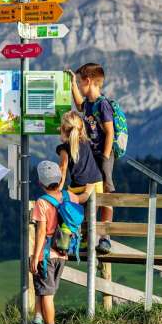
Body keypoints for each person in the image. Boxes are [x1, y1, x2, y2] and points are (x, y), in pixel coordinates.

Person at [29, 160, 93, 324]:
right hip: (63, 253)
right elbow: (83, 198)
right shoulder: (70, 196)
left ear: (40, 183)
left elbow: (41, 232)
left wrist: (35, 257)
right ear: (59, 179)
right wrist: (89, 188)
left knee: (46, 295)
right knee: (46, 291)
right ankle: (38, 323)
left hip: (46, 255)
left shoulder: (41, 203)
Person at [67, 63, 115, 254]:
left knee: (106, 194)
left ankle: (105, 236)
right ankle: (88, 236)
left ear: (88, 81)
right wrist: (71, 84)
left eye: (79, 83)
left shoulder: (102, 104)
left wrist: (104, 156)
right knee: (91, 192)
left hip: (104, 155)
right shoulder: (89, 103)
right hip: (92, 156)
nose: (79, 86)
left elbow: (110, 132)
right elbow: (79, 105)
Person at [57, 110, 103, 198]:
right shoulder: (87, 142)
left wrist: (57, 191)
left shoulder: (63, 149)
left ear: (63, 129)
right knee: (92, 212)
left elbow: (62, 169)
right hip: (97, 184)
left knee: (69, 209)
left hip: (79, 187)